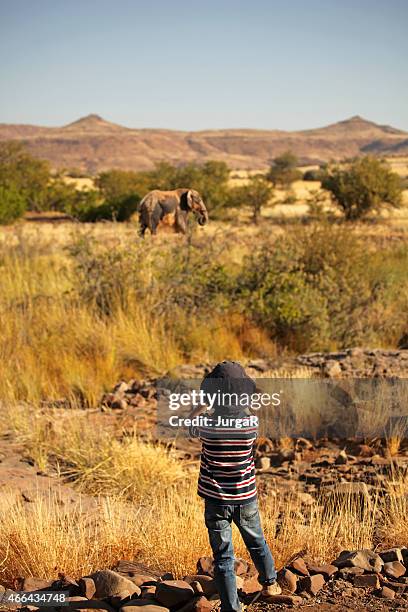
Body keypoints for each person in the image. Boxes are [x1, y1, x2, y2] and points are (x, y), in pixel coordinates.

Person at [190, 360, 281, 612]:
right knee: (257, 541)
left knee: (223, 556)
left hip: (216, 500)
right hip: (245, 497)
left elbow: (190, 425)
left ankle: (232, 607)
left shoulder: (206, 425)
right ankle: (270, 583)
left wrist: (202, 405)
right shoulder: (250, 424)